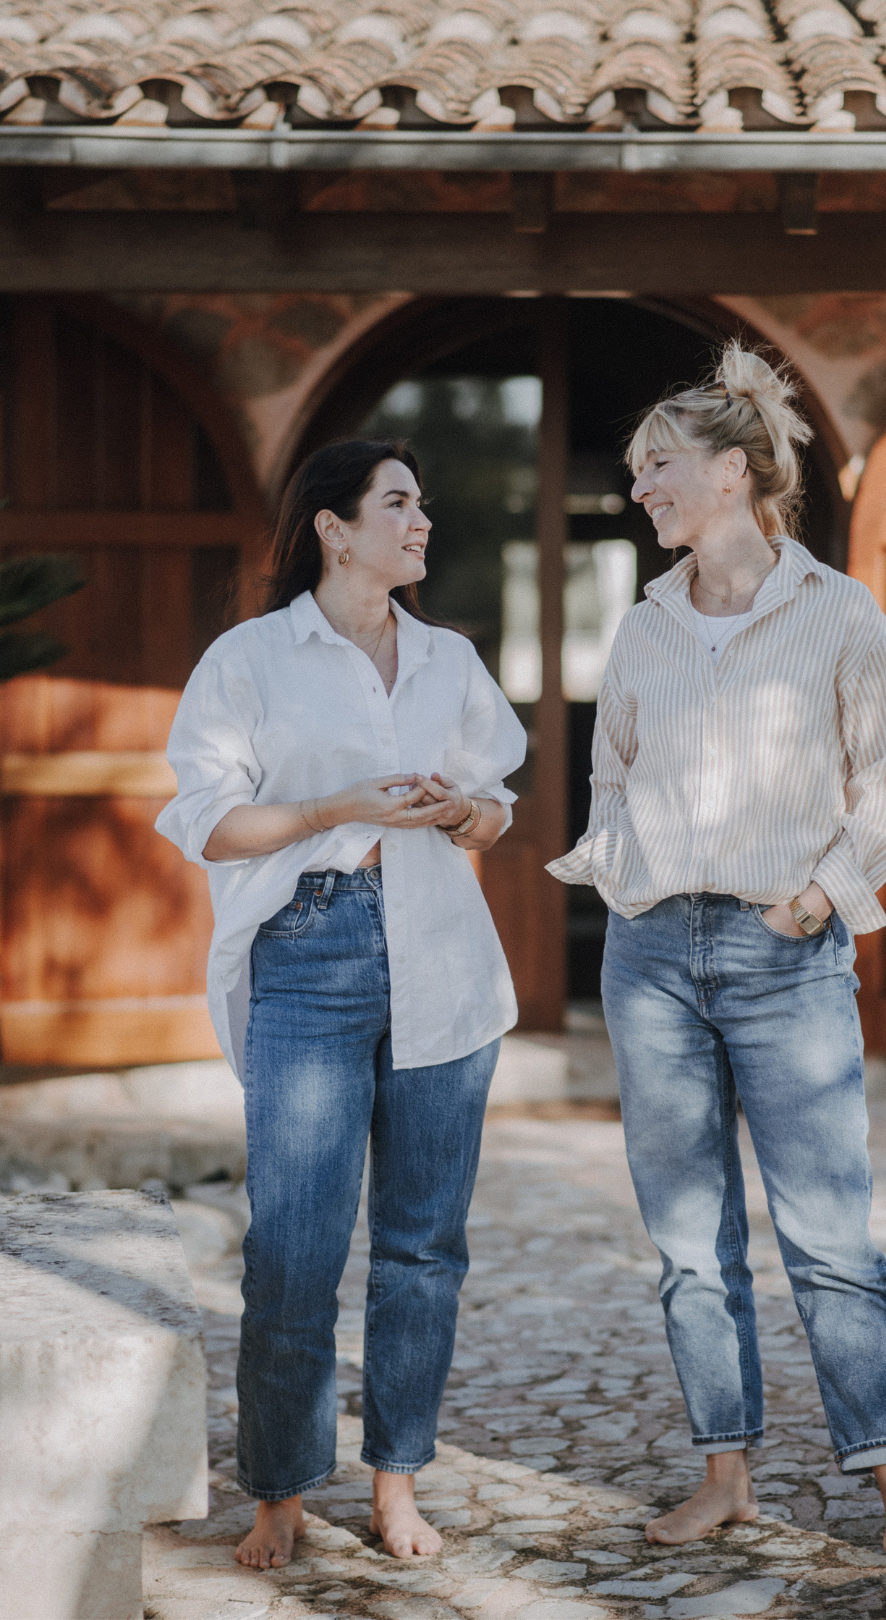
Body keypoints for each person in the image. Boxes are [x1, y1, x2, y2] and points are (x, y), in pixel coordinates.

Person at [547, 345, 886, 1574]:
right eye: (637, 468)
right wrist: (617, 868)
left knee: (829, 1239)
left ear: (734, 471)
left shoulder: (840, 613)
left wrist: (812, 902)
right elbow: (613, 772)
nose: (637, 485)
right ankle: (726, 1476)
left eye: (657, 466)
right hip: (649, 957)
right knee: (689, 1241)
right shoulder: (643, 623)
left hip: (782, 951)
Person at [157, 440, 526, 1570]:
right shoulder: (252, 658)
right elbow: (207, 823)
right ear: (333, 526)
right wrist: (333, 808)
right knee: (294, 1248)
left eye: (422, 502)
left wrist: (462, 813)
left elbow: (499, 806)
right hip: (308, 953)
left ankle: (396, 1483)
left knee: (423, 1248)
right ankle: (278, 1490)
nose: (422, 521)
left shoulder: (449, 657)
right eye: (399, 503)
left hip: (443, 958)